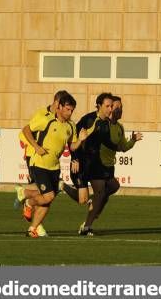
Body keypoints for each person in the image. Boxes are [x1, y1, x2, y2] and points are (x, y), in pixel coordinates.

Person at [17, 93, 87, 237]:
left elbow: (72, 147)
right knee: (48, 196)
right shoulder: (46, 119)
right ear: (59, 107)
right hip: (39, 163)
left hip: (55, 167)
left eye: (72, 110)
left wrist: (80, 140)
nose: (70, 112)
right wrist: (36, 146)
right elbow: (26, 129)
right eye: (67, 109)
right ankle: (29, 202)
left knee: (48, 201)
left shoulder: (71, 126)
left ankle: (32, 229)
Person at [81, 95, 142, 228]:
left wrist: (133, 140)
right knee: (100, 194)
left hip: (108, 166)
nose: (119, 110)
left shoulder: (119, 127)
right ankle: (87, 226)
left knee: (113, 187)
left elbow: (122, 147)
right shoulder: (103, 123)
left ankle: (93, 204)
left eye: (121, 107)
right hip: (96, 163)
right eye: (116, 107)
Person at [15, 90, 65, 236]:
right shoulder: (42, 114)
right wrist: (36, 146)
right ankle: (37, 225)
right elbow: (26, 130)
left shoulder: (61, 120)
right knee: (46, 193)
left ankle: (24, 193)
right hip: (34, 156)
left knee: (47, 193)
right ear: (57, 103)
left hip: (48, 162)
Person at [75, 93, 122, 236]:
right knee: (89, 197)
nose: (111, 109)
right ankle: (62, 186)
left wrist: (120, 146)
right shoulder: (89, 119)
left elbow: (107, 142)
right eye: (108, 106)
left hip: (95, 162)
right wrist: (75, 158)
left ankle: (87, 225)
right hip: (84, 162)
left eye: (111, 106)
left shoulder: (105, 123)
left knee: (109, 188)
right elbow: (74, 138)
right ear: (99, 106)